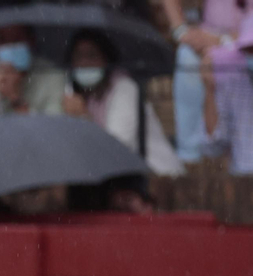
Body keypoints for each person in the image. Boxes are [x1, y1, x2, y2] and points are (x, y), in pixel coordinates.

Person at [62, 29, 183, 176]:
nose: (84, 63)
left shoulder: (125, 89)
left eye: (91, 55)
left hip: (158, 177)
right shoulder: (78, 94)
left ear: (106, 59)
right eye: (78, 57)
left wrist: (83, 118)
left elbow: (115, 152)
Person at [160, 0, 252, 162]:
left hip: (251, 46)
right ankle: (189, 156)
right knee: (187, 58)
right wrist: (181, 31)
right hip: (207, 42)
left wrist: (224, 41)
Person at [0, 23, 67, 126]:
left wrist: (16, 99)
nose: (10, 46)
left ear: (31, 41)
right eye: (3, 40)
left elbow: (53, 132)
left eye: (17, 39)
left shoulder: (52, 74)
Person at [203, 11, 253, 174]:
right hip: (245, 188)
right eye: (251, 49)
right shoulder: (231, 87)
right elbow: (213, 147)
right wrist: (209, 89)